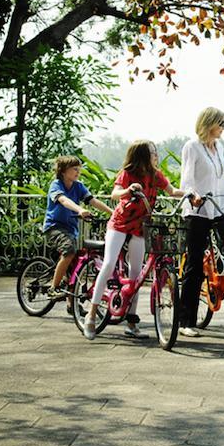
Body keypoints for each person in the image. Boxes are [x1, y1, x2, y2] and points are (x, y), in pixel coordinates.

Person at [83, 140, 187, 340]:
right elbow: (115, 194)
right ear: (141, 155)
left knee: (136, 274)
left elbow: (172, 192)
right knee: (109, 263)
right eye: (152, 152)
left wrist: (191, 194)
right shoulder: (127, 173)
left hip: (141, 227)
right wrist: (128, 190)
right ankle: (91, 314)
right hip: (120, 224)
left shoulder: (156, 175)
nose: (156, 155)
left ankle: (131, 322)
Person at [178, 107, 224, 338]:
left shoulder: (219, 148)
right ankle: (186, 321)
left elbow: (222, 185)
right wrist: (192, 194)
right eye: (221, 124)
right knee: (194, 265)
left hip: (220, 209)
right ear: (210, 124)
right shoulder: (193, 147)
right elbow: (187, 180)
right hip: (198, 211)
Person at [42, 156, 113, 304]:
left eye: (79, 168)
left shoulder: (78, 186)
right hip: (55, 227)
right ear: (63, 171)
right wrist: (80, 209)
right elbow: (63, 200)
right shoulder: (56, 185)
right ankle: (53, 288)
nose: (78, 171)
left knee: (74, 266)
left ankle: (71, 304)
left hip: (71, 229)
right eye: (74, 169)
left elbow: (93, 201)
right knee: (69, 251)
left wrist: (112, 213)